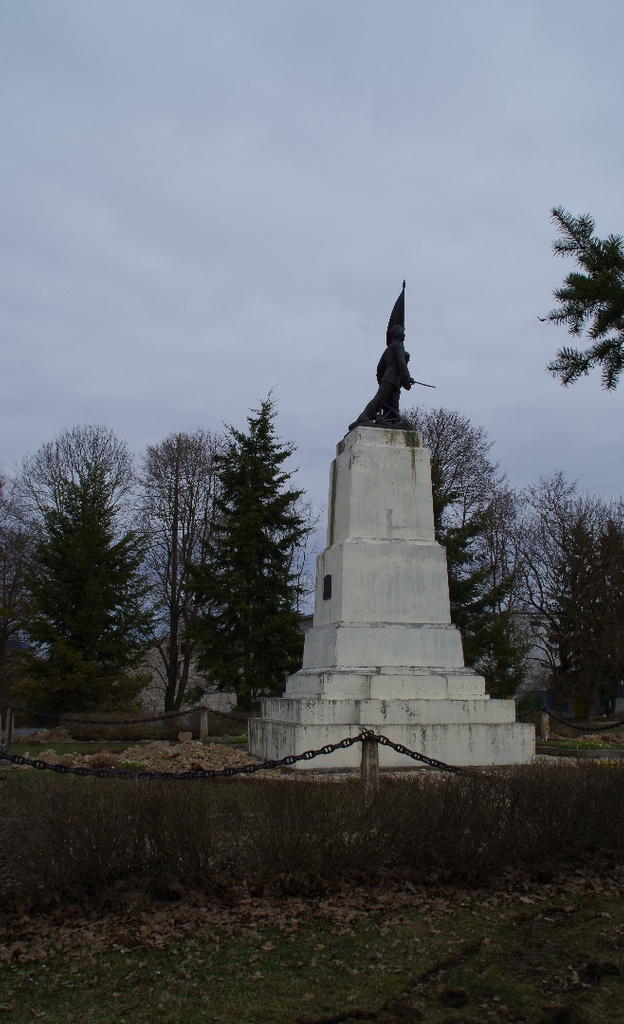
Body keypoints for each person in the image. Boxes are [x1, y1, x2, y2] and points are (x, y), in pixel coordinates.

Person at [350, 323, 415, 430]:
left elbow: (379, 368)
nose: (405, 335)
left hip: (392, 380)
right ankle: (364, 417)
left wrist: (383, 379)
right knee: (379, 398)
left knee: (393, 403)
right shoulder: (398, 345)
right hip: (391, 379)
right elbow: (401, 363)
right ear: (398, 334)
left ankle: (394, 420)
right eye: (403, 333)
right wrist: (407, 378)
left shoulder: (388, 349)